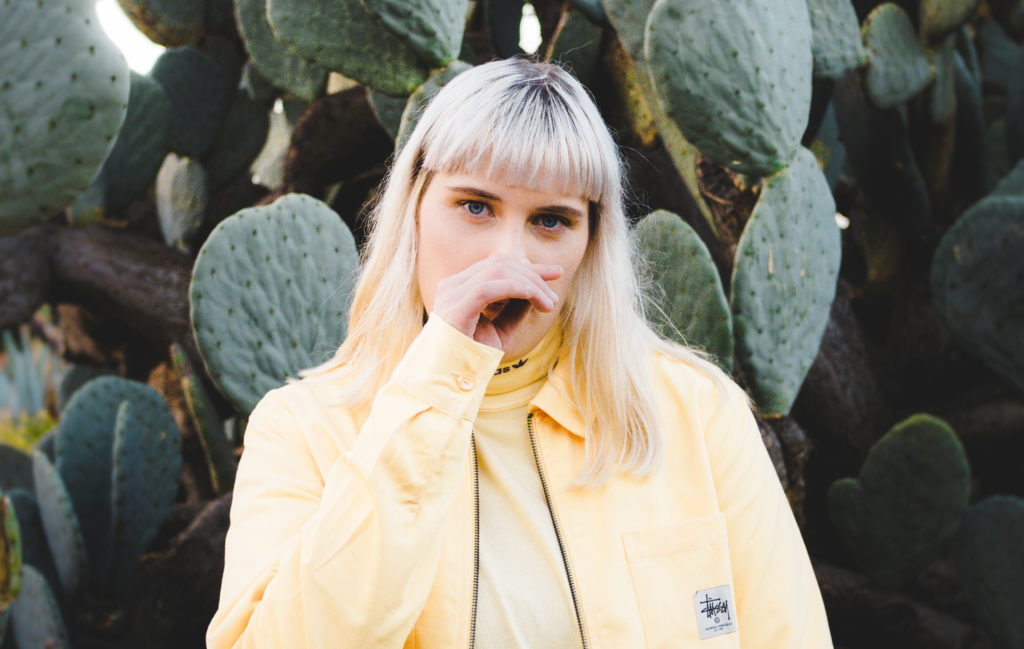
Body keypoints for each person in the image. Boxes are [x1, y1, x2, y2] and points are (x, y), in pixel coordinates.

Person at [206, 58, 833, 649]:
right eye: (475, 206)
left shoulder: (695, 411)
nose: (509, 256)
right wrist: (440, 377)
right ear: (414, 212)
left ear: (591, 244)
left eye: (551, 220)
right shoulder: (304, 429)